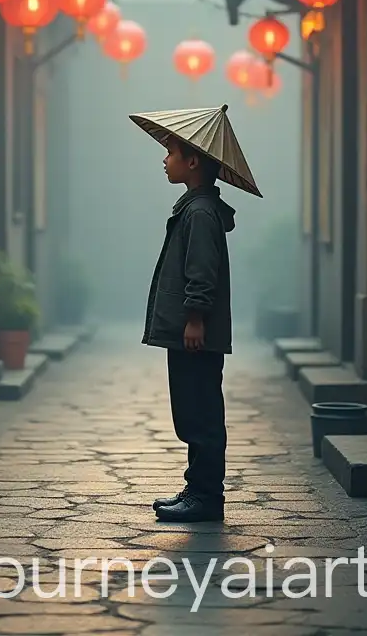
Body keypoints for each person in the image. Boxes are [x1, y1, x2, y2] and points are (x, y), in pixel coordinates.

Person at [130, 104, 261, 524]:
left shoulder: (201, 213)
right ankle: (198, 488)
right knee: (192, 408)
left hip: (194, 332)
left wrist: (195, 318)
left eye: (171, 152)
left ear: (193, 160)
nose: (164, 159)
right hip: (190, 330)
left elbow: (200, 272)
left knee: (200, 411)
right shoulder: (195, 207)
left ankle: (206, 497)